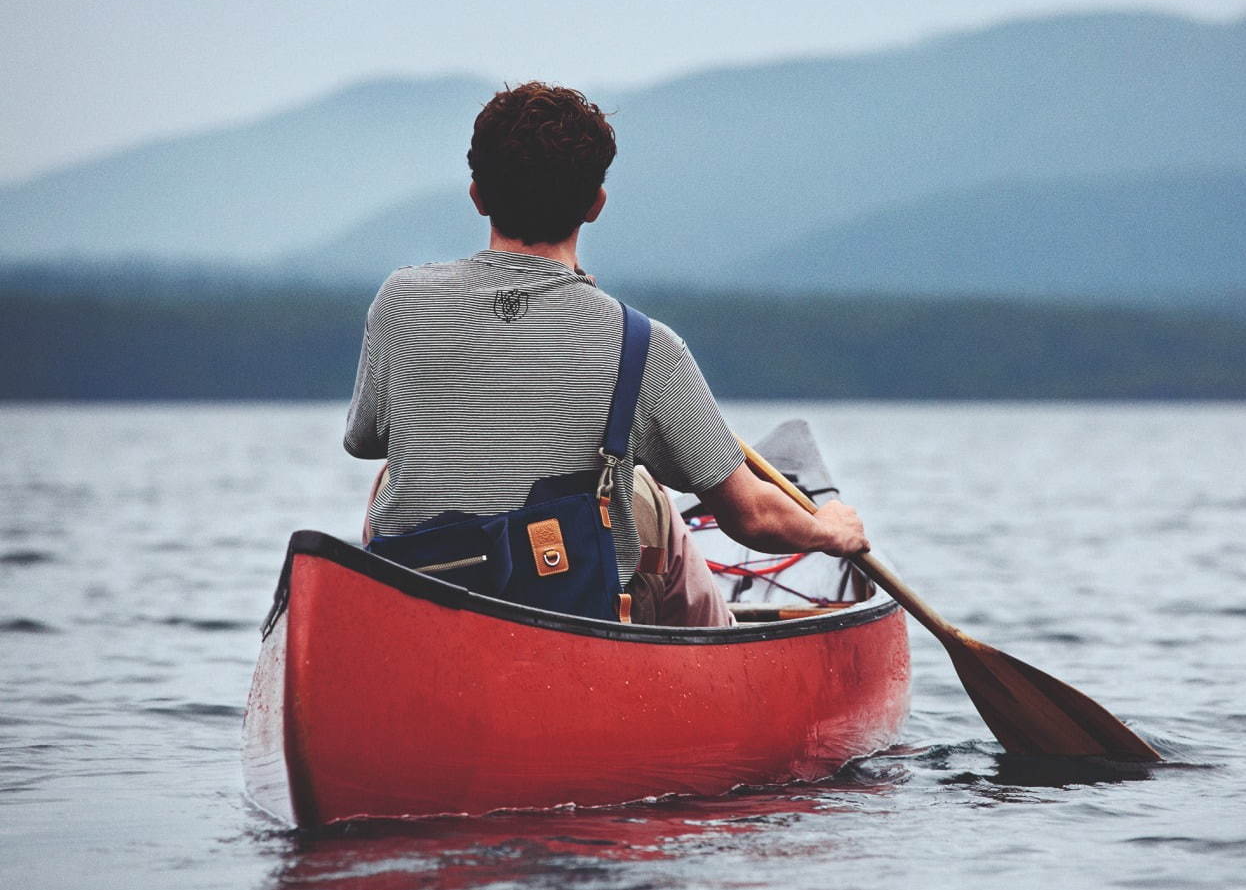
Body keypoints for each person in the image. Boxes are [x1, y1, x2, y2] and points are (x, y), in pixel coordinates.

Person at [344, 82, 868, 626]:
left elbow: (364, 441)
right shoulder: (644, 346)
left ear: (477, 194)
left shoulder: (400, 299)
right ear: (596, 204)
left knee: (389, 476)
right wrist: (826, 529)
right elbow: (752, 516)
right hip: (559, 607)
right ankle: (719, 647)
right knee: (647, 491)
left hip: (418, 591)